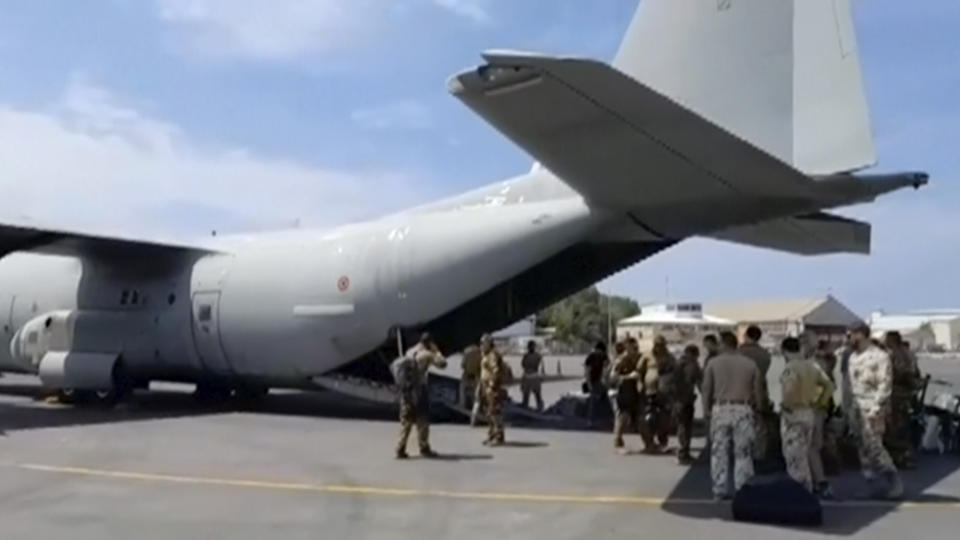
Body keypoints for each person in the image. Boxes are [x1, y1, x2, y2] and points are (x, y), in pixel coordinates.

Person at [702, 331, 763, 500]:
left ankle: (719, 489)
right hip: (743, 408)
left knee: (719, 451)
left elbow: (706, 389)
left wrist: (706, 409)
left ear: (723, 344)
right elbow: (758, 391)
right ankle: (742, 488)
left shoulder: (713, 363)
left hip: (721, 408)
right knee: (743, 452)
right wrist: (758, 408)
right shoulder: (750, 364)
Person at [846, 324, 903, 499]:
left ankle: (894, 482)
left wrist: (877, 409)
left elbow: (885, 385)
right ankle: (872, 485)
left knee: (875, 448)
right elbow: (850, 385)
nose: (848, 339)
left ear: (862, 335)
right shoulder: (853, 357)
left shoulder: (879, 357)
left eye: (851, 335)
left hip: (872, 408)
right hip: (856, 408)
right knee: (862, 448)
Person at [779, 337, 835, 495]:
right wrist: (819, 403)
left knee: (794, 456)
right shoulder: (812, 367)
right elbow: (829, 386)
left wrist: (786, 406)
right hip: (809, 412)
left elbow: (789, 388)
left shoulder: (790, 368)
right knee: (805, 451)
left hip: (794, 413)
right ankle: (807, 488)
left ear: (784, 351)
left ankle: (799, 491)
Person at [392, 333, 447, 459]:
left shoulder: (410, 351)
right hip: (420, 390)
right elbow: (443, 364)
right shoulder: (427, 354)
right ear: (429, 343)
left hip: (406, 391)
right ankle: (424, 447)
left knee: (406, 421)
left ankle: (400, 448)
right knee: (423, 420)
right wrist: (436, 351)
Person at [610, 338, 657, 453]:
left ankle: (649, 444)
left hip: (638, 393)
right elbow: (613, 378)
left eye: (637, 348)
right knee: (622, 418)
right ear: (627, 348)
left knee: (641, 419)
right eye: (633, 348)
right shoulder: (621, 360)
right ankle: (618, 443)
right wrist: (629, 377)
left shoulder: (640, 358)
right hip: (624, 393)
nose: (636, 350)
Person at [883, 331, 921, 469]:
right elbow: (915, 373)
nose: (884, 341)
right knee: (903, 425)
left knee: (894, 427)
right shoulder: (909, 353)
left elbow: (901, 373)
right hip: (906, 395)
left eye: (886, 339)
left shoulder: (895, 354)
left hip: (896, 394)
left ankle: (899, 457)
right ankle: (904, 454)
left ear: (892, 340)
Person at [739, 325, 773, 461]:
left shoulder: (738, 352)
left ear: (746, 335)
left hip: (740, 392)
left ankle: (743, 455)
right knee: (759, 426)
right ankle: (759, 455)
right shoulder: (765, 354)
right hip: (760, 391)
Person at [480, 334, 511, 446]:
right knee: (489, 412)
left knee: (494, 412)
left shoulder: (492, 354)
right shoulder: (486, 354)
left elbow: (496, 370)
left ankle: (499, 436)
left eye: (483, 343)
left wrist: (492, 385)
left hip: (491, 387)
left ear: (489, 343)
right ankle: (491, 435)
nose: (481, 345)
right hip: (485, 385)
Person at [674, 344, 703, 465]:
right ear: (693, 354)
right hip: (686, 399)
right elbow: (698, 381)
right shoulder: (692, 365)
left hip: (675, 399)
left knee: (681, 425)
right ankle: (683, 454)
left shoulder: (677, 363)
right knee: (686, 427)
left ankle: (682, 451)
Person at [652, 335, 678, 448]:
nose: (659, 347)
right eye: (657, 344)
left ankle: (662, 438)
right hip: (652, 388)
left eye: (660, 345)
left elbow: (674, 371)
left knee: (664, 415)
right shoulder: (650, 356)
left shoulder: (669, 357)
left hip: (665, 389)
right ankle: (652, 439)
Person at [584, 341, 609, 426]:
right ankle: (590, 420)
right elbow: (587, 371)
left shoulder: (602, 356)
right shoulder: (591, 357)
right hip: (593, 381)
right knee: (593, 401)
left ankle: (598, 418)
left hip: (598, 381)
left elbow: (606, 368)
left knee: (601, 398)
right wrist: (589, 384)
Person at [520, 340, 545, 411]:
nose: (531, 348)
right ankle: (538, 407)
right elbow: (524, 365)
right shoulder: (537, 356)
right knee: (530, 395)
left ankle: (537, 407)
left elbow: (523, 365)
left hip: (530, 376)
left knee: (534, 394)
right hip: (532, 376)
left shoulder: (527, 356)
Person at [460, 343, 482, 411]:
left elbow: (462, 365)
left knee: (462, 389)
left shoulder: (467, 351)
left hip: (467, 374)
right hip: (476, 375)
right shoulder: (480, 352)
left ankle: (463, 405)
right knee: (475, 392)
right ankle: (475, 407)